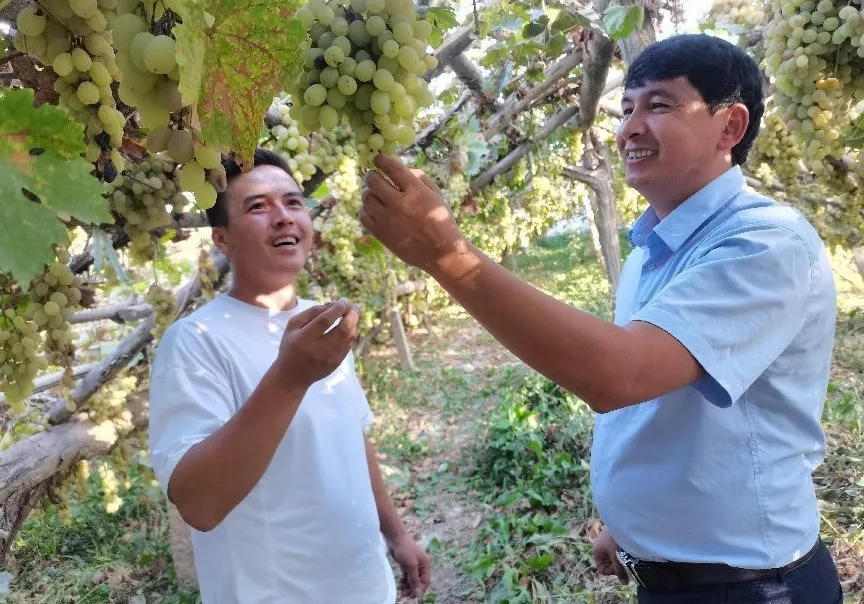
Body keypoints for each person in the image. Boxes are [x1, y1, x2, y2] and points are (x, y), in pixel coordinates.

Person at [359, 34, 842, 603]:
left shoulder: (766, 243)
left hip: (754, 590)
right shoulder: (651, 249)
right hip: (676, 577)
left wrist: (448, 256)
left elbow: (620, 375)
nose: (630, 128)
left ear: (730, 127)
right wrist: (635, 525)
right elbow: (662, 403)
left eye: (659, 106)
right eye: (626, 108)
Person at [148, 148, 431, 604]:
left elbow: (350, 435)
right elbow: (198, 503)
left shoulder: (320, 321)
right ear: (222, 240)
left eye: (293, 202)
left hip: (366, 587)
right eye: (258, 206)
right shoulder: (195, 341)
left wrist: (396, 534)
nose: (283, 217)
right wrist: (290, 377)